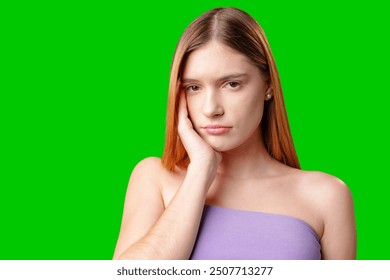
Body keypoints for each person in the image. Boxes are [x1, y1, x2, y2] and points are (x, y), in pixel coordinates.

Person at [113, 7, 356, 260]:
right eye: (194, 87)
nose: (211, 109)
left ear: (268, 86)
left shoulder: (327, 197)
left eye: (232, 84)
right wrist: (200, 170)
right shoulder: (155, 177)